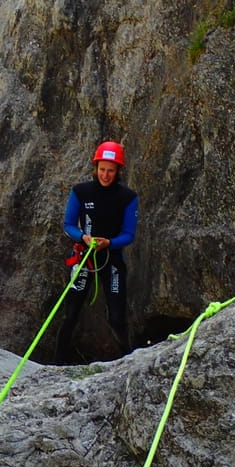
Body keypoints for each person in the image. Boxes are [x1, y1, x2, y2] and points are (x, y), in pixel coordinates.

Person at [55, 140, 138, 362]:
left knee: (117, 316)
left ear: (118, 170)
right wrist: (83, 237)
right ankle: (57, 362)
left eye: (111, 170)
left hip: (111, 259)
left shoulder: (127, 198)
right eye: (102, 169)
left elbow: (129, 234)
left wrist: (108, 243)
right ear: (96, 167)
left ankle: (127, 360)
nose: (105, 175)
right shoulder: (81, 192)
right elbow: (69, 224)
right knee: (71, 311)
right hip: (84, 258)